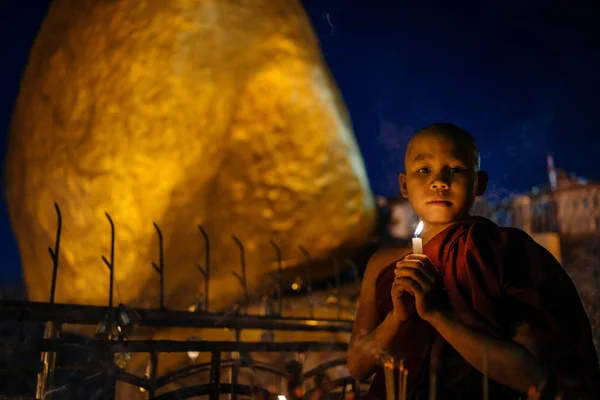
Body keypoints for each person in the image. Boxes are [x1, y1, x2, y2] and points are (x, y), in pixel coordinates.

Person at [347, 123, 600, 399]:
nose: (439, 181)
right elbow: (358, 367)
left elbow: (532, 376)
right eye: (424, 170)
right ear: (404, 185)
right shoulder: (381, 264)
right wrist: (397, 317)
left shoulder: (502, 252)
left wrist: (437, 315)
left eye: (455, 169)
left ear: (479, 184)